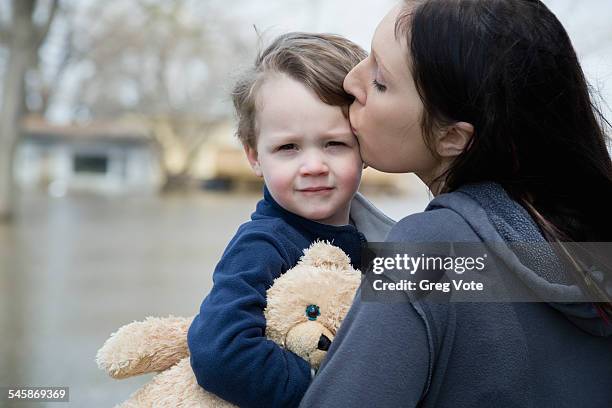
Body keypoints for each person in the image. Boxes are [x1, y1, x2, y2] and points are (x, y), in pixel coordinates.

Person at [300, 1, 612, 407]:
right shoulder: (589, 246)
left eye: (379, 80)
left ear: (453, 137)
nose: (349, 82)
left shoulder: (431, 251)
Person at [187, 32, 395, 408]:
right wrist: (329, 389)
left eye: (335, 143)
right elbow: (220, 353)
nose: (313, 166)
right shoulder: (263, 245)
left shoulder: (383, 241)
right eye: (288, 148)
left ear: (364, 147)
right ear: (254, 156)